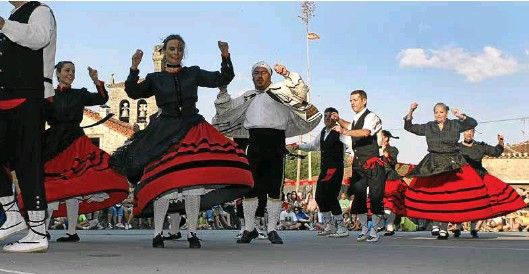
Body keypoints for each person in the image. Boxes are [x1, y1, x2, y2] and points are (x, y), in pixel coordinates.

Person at [112, 35, 253, 249]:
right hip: (164, 132)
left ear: (183, 52)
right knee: (163, 182)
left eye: (179, 49)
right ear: (164, 52)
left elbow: (222, 78)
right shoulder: (155, 78)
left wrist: (225, 55)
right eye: (171, 49)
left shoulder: (193, 73)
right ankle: (158, 234)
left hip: (192, 129)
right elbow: (133, 92)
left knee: (192, 184)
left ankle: (192, 233)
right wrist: (134, 67)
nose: (176, 52)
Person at [212, 61, 322, 245]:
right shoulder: (248, 96)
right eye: (256, 73)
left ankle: (271, 229)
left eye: (263, 72)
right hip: (254, 143)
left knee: (274, 189)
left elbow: (301, 91)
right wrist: (223, 90)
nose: (259, 76)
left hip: (276, 142)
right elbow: (226, 109)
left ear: (270, 76)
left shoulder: (282, 91)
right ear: (252, 76)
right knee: (250, 188)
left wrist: (287, 73)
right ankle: (249, 229)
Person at [33, 61, 128, 243]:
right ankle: (43, 230)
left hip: (76, 141)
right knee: (52, 184)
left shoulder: (79, 94)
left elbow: (102, 99)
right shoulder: (48, 95)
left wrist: (96, 81)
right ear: (58, 73)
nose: (71, 74)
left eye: (73, 71)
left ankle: (71, 232)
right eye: (67, 70)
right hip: (53, 142)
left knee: (74, 187)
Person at [0, 1, 56, 253]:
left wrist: (2, 25)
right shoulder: (12, 17)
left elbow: (39, 38)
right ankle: (12, 216)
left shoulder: (40, 10)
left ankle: (38, 232)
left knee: (27, 162)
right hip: (4, 98)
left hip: (28, 97)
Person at [403, 102, 494, 239]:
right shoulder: (429, 126)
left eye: (441, 112)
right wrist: (411, 111)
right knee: (433, 195)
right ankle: (434, 222)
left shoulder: (455, 125)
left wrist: (461, 116)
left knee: (448, 196)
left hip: (452, 163)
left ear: (446, 113)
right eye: (436, 112)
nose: (439, 114)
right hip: (433, 163)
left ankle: (444, 228)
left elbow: (472, 123)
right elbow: (409, 127)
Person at [289, 107, 352, 237]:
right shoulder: (323, 131)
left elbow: (351, 143)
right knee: (319, 197)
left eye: (330, 116)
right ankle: (329, 225)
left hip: (335, 168)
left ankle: (342, 227)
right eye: (325, 116)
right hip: (325, 169)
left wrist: (352, 154)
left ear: (336, 117)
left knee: (330, 196)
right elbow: (313, 145)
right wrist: (299, 146)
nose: (327, 118)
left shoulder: (340, 131)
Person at [332, 90, 385, 242]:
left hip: (373, 162)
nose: (352, 103)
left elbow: (365, 132)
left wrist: (344, 131)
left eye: (355, 100)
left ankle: (374, 230)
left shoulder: (372, 116)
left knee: (375, 197)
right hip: (358, 164)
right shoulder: (355, 119)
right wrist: (339, 119)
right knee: (359, 196)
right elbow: (351, 125)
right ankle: (363, 228)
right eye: (350, 100)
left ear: (364, 100)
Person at [454, 129, 526, 238]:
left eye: (471, 131)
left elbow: (495, 152)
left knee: (477, 204)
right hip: (462, 178)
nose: (469, 133)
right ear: (463, 133)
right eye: (467, 131)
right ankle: (458, 228)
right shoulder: (456, 147)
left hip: (479, 178)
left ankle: (473, 229)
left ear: (474, 133)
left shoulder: (481, 146)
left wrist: (501, 143)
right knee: (460, 203)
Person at [379, 130, 408, 236]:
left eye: (380, 136)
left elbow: (393, 162)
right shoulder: (374, 149)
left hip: (390, 179)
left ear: (386, 138)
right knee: (377, 204)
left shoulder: (393, 149)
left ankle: (390, 226)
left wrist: (387, 155)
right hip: (377, 179)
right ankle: (383, 224)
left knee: (390, 203)